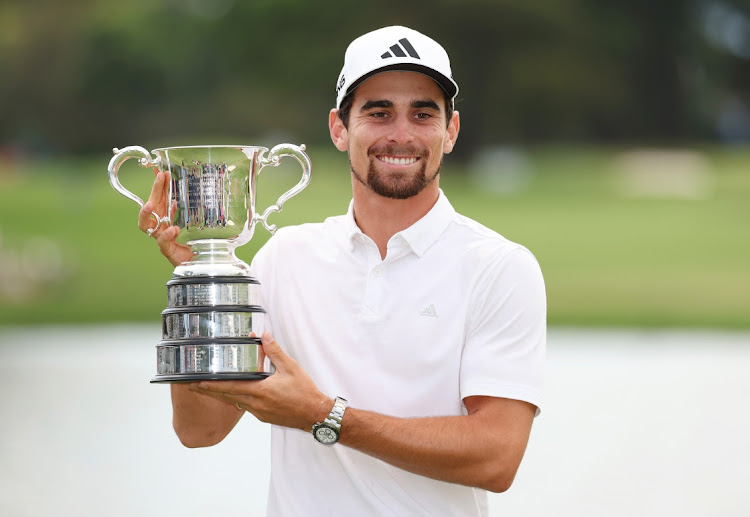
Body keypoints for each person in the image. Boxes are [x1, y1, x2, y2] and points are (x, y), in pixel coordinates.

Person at [139, 25, 546, 516]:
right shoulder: (285, 257)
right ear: (339, 128)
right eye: (378, 113)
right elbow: (200, 431)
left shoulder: (499, 267)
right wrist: (204, 290)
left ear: (451, 130)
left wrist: (322, 415)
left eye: (423, 113)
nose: (401, 133)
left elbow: (496, 456)